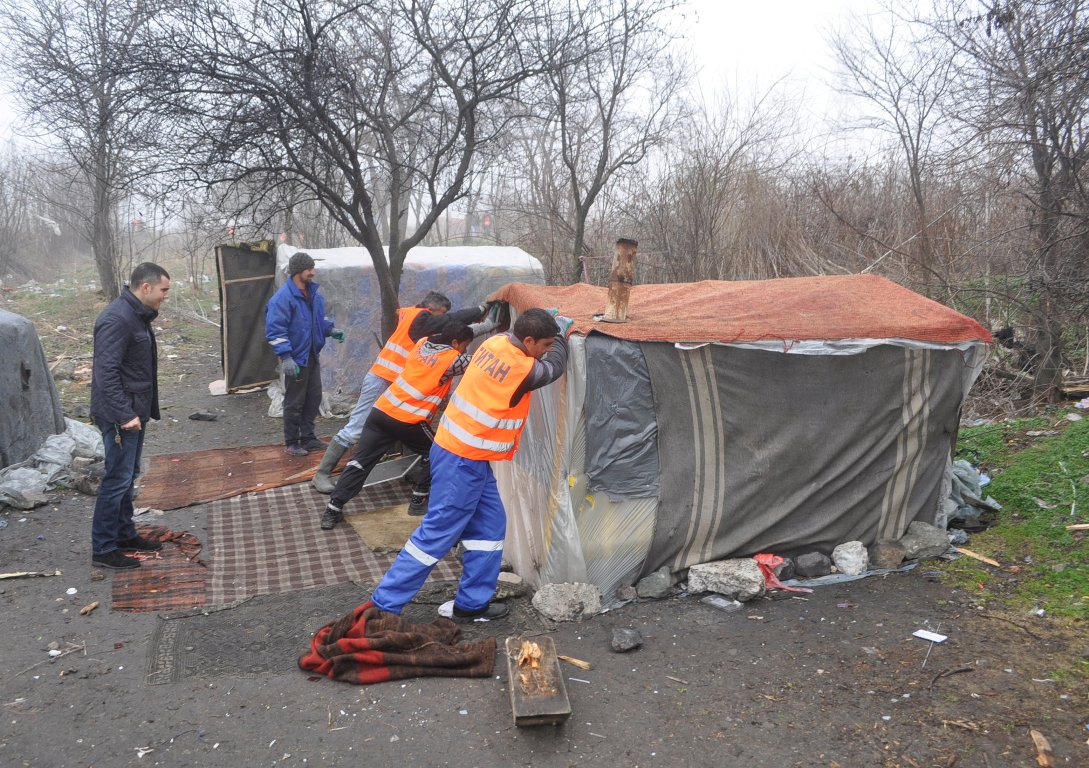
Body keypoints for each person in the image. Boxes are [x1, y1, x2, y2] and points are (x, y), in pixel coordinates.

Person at [368, 307, 570, 623]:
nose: (544, 352)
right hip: (461, 459)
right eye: (543, 345)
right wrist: (563, 339)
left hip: (465, 455)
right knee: (436, 534)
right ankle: (384, 605)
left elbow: (517, 338)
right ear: (528, 340)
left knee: (490, 528)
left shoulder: (496, 344)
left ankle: (471, 604)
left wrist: (550, 329)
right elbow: (554, 369)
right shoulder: (520, 368)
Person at [311, 291, 492, 492]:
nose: (442, 320)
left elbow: (452, 329)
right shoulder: (420, 318)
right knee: (357, 427)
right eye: (442, 315)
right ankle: (322, 474)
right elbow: (452, 322)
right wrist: (481, 311)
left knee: (409, 423)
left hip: (392, 381)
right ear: (432, 310)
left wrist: (482, 324)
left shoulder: (416, 318)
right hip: (383, 378)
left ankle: (413, 471)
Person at [319, 317, 476, 529]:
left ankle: (333, 509)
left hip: (381, 412)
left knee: (360, 462)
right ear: (456, 343)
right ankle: (418, 499)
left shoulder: (422, 344)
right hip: (408, 419)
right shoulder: (451, 360)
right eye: (464, 346)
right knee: (438, 452)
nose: (464, 351)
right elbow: (482, 361)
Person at [89, 262, 172, 570]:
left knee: (128, 476)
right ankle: (103, 547)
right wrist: (124, 414)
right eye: (164, 290)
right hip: (119, 415)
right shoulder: (117, 319)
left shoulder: (136, 316)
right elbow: (105, 373)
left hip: (134, 411)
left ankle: (124, 534)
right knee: (116, 479)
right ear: (146, 287)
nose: (166, 296)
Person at [265, 251, 344, 456]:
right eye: (309, 269)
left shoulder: (314, 295)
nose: (313, 273)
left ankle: (308, 438)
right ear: (298, 271)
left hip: (311, 356)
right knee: (294, 401)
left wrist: (330, 329)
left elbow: (319, 321)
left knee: (313, 397)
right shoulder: (282, 299)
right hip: (295, 359)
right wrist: (287, 357)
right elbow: (275, 331)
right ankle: (292, 442)